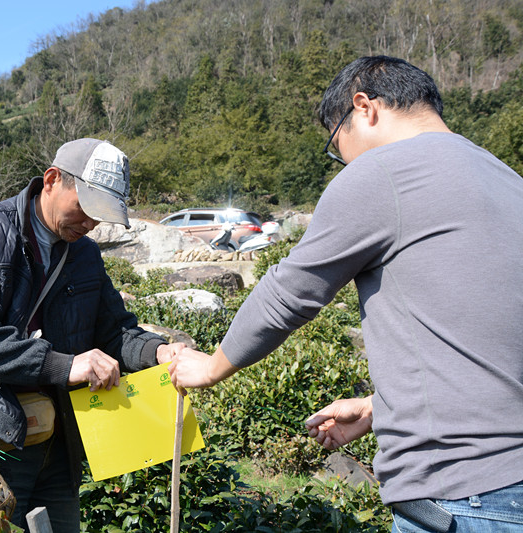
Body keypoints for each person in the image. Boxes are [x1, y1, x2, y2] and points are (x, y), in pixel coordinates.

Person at [169, 56, 523, 531]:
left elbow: (289, 293)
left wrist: (211, 367)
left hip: (463, 493)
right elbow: (484, 332)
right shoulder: (504, 177)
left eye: (337, 144)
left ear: (364, 108)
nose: (345, 161)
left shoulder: (383, 171)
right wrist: (381, 406)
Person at [0, 138, 185, 532]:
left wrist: (160, 352)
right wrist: (64, 365)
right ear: (51, 180)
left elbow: (114, 331)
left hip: (59, 440)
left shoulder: (84, 254)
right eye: (85, 208)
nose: (90, 224)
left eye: (101, 216)